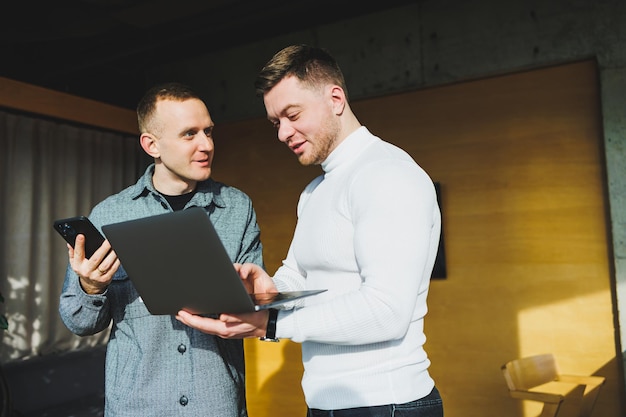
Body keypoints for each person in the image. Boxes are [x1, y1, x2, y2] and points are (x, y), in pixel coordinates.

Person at [176, 44, 444, 417]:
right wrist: (269, 289)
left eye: (292, 115)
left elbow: (386, 310)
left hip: (387, 404)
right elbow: (303, 274)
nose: (283, 133)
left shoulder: (387, 174)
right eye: (275, 122)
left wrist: (269, 324)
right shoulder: (315, 191)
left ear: (335, 98)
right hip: (325, 405)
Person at [59, 82, 263, 417]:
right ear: (151, 144)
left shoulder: (237, 208)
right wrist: (91, 288)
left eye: (208, 132)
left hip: (216, 405)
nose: (206, 145)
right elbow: (79, 323)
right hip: (135, 406)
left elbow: (254, 311)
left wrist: (242, 295)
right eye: (189, 134)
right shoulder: (108, 215)